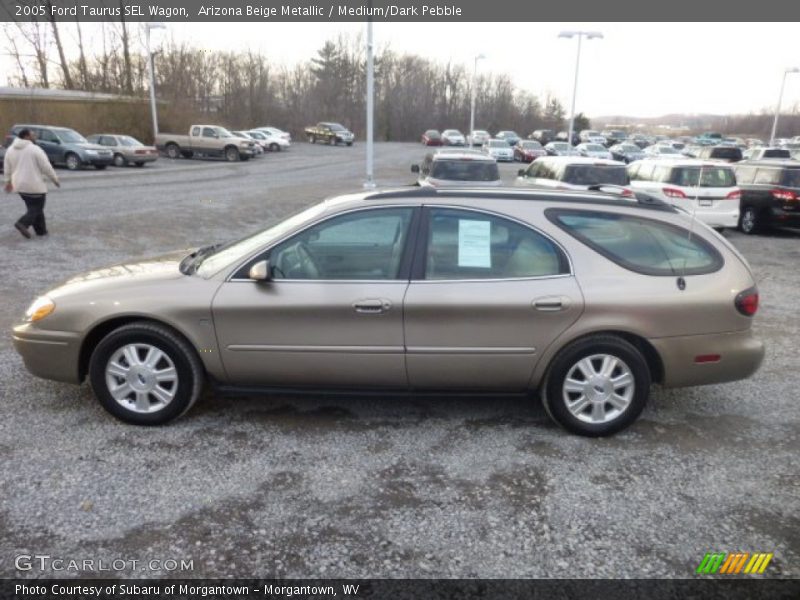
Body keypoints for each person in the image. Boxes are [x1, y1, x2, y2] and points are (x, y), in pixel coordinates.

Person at [3, 128, 60, 238]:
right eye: (33, 135)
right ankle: (22, 223)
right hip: (34, 184)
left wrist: (8, 182)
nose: (35, 137)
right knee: (37, 208)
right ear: (26, 136)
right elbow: (46, 167)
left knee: (34, 207)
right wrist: (55, 179)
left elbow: (7, 168)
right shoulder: (35, 149)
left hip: (19, 186)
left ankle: (41, 231)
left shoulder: (10, 150)